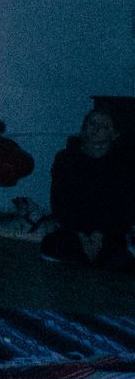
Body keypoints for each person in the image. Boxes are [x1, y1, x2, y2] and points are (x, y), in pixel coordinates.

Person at [41, 108, 134, 267]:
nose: (96, 128)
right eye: (92, 123)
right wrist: (81, 235)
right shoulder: (66, 158)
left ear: (114, 134)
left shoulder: (123, 163)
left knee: (118, 254)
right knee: (52, 244)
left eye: (104, 126)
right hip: (77, 226)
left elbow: (123, 205)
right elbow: (60, 200)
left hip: (109, 228)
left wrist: (100, 234)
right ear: (84, 127)